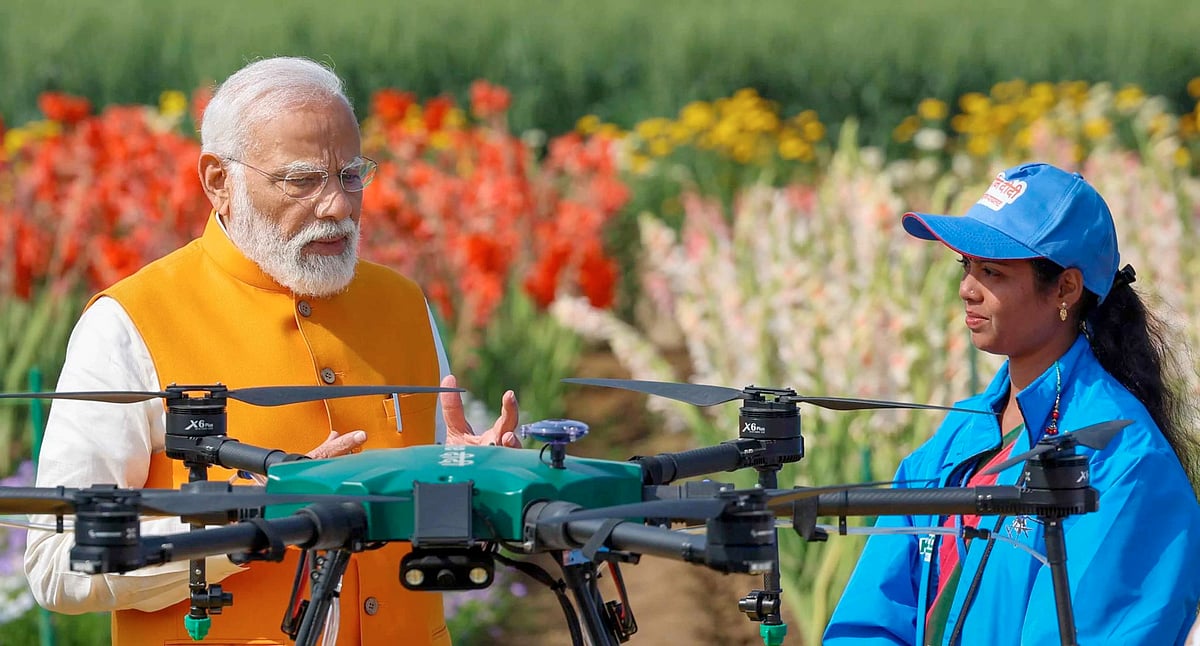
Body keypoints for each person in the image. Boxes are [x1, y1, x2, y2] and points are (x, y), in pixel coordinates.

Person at [23, 56, 521, 646]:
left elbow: (434, 519)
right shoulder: (129, 323)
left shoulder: (404, 303)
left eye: (351, 175)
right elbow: (58, 561)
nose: (337, 206)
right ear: (218, 181)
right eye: (302, 181)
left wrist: (481, 480)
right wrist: (256, 518)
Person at [824, 162, 1200, 645]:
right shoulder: (957, 436)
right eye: (966, 266)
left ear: (1065, 287)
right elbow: (868, 621)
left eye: (992, 272)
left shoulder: (1124, 461)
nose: (967, 289)